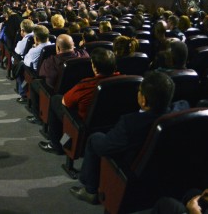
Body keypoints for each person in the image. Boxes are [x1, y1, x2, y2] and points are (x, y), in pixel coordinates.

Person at [70, 70, 175, 204]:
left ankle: (90, 190)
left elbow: (105, 147)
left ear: (143, 100)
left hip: (130, 171)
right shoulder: (179, 112)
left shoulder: (129, 123)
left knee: (94, 139)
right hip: (159, 171)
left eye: (139, 91)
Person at [38, 47, 119, 154]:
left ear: (94, 67)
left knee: (55, 100)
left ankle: (55, 144)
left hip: (83, 123)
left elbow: (65, 102)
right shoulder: (125, 82)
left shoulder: (86, 84)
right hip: (110, 122)